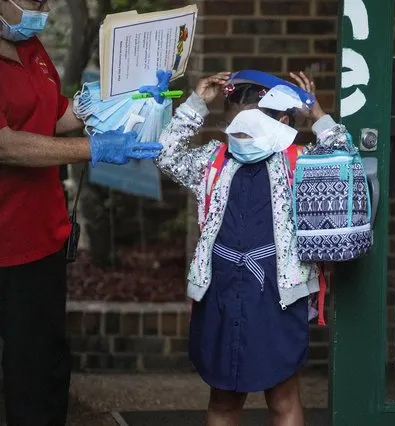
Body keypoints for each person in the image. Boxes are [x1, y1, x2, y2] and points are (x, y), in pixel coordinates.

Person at [0, 0, 162, 424]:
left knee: (43, 370)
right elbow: (5, 144)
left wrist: (119, 101)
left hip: (42, 238)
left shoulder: (31, 48)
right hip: (4, 241)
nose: (44, 6)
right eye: (34, 0)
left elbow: (52, 118)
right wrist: (95, 148)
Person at [155, 70, 344, 426]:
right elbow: (166, 154)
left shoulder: (300, 162)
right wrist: (196, 104)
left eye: (250, 128)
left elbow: (343, 157)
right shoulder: (213, 161)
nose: (239, 136)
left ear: (282, 121)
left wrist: (317, 116)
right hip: (221, 293)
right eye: (233, 128)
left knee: (283, 396)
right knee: (223, 399)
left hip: (278, 295)